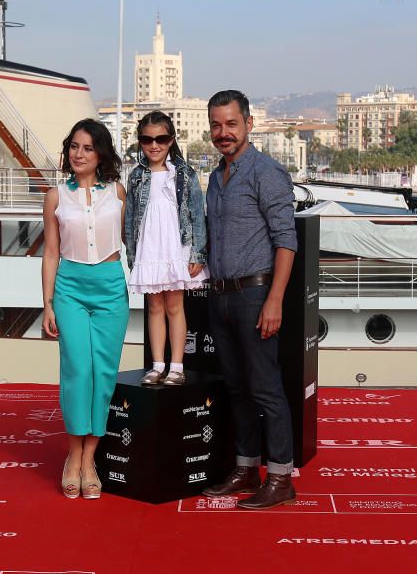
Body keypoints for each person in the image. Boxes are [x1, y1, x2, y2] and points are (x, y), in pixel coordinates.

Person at [200, 90, 298, 510]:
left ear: (249, 123)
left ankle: (280, 479)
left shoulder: (267, 172)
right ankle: (245, 467)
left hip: (256, 295)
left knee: (266, 389)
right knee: (237, 389)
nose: (223, 133)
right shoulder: (214, 177)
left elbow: (286, 241)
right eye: (217, 125)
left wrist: (274, 300)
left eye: (231, 124)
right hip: (220, 296)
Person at [41, 118, 129, 500]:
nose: (79, 154)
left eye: (88, 148)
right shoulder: (55, 196)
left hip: (111, 286)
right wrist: (47, 304)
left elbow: (133, 241)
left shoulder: (118, 193)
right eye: (74, 146)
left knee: (103, 374)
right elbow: (50, 252)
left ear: (101, 154)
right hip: (70, 288)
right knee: (78, 369)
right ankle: (73, 455)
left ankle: (90, 458)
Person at [124, 111, 209, 386]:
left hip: (175, 246)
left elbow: (197, 214)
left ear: (171, 140)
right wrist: (133, 256)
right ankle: (156, 364)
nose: (154, 145)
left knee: (175, 306)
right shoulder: (136, 176)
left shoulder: (183, 174)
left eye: (161, 138)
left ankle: (176, 366)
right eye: (147, 139)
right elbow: (130, 220)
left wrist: (197, 253)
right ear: (140, 142)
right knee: (154, 306)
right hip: (149, 248)